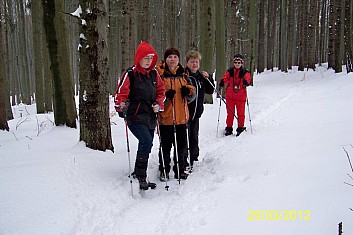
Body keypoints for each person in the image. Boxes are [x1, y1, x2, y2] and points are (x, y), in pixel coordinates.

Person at [114, 41, 165, 190]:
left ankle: (138, 172)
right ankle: (141, 176)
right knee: (146, 141)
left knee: (147, 145)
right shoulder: (130, 74)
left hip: (150, 115)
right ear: (139, 58)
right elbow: (120, 94)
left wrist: (158, 104)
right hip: (135, 115)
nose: (148, 61)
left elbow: (161, 93)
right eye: (146, 57)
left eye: (151, 58)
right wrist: (121, 105)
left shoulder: (155, 74)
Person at [156, 47, 195, 181]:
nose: (172, 60)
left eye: (175, 57)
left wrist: (188, 92)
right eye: (170, 57)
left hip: (181, 117)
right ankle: (164, 170)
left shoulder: (184, 74)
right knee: (165, 146)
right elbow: (156, 95)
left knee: (182, 145)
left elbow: (192, 92)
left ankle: (180, 169)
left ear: (178, 59)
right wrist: (165, 96)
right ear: (165, 59)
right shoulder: (159, 74)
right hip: (165, 118)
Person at [185, 50, 214, 168]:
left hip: (197, 112)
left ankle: (194, 158)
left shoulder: (201, 77)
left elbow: (210, 91)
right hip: (185, 113)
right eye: (192, 62)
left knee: (194, 136)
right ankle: (183, 159)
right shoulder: (184, 76)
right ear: (187, 63)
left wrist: (209, 78)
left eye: (196, 62)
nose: (194, 64)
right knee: (184, 137)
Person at [219, 53, 251, 136]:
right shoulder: (229, 71)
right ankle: (229, 128)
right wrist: (222, 81)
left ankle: (240, 127)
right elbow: (225, 77)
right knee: (230, 113)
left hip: (241, 97)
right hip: (230, 96)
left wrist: (246, 82)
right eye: (235, 62)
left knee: (240, 113)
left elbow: (248, 79)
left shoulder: (245, 72)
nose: (237, 64)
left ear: (242, 63)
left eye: (239, 62)